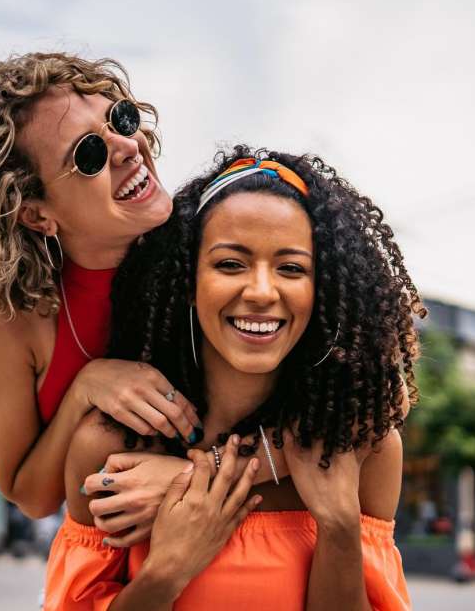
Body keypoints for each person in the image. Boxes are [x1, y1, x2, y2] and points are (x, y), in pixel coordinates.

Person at [45, 147, 423, 610]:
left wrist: (339, 526)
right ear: (189, 281)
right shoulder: (110, 450)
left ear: (320, 291)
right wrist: (168, 570)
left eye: (291, 268)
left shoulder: (364, 449)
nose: (262, 292)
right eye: (230, 264)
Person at [0, 53, 208, 522]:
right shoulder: (2, 316)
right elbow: (31, 495)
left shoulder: (220, 249)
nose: (127, 147)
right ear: (37, 213)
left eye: (120, 119)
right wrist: (86, 388)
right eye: (88, 155)